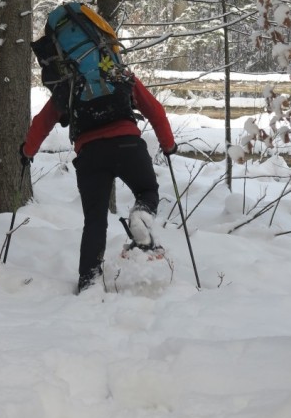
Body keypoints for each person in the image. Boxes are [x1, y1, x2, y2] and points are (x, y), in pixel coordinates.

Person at [21, 75, 177, 294]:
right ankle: (141, 213)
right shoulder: (120, 74)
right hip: (128, 145)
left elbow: (43, 120)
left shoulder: (69, 82)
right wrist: (168, 145)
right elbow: (154, 109)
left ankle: (88, 282)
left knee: (95, 220)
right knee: (147, 191)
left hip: (89, 154)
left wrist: (28, 151)